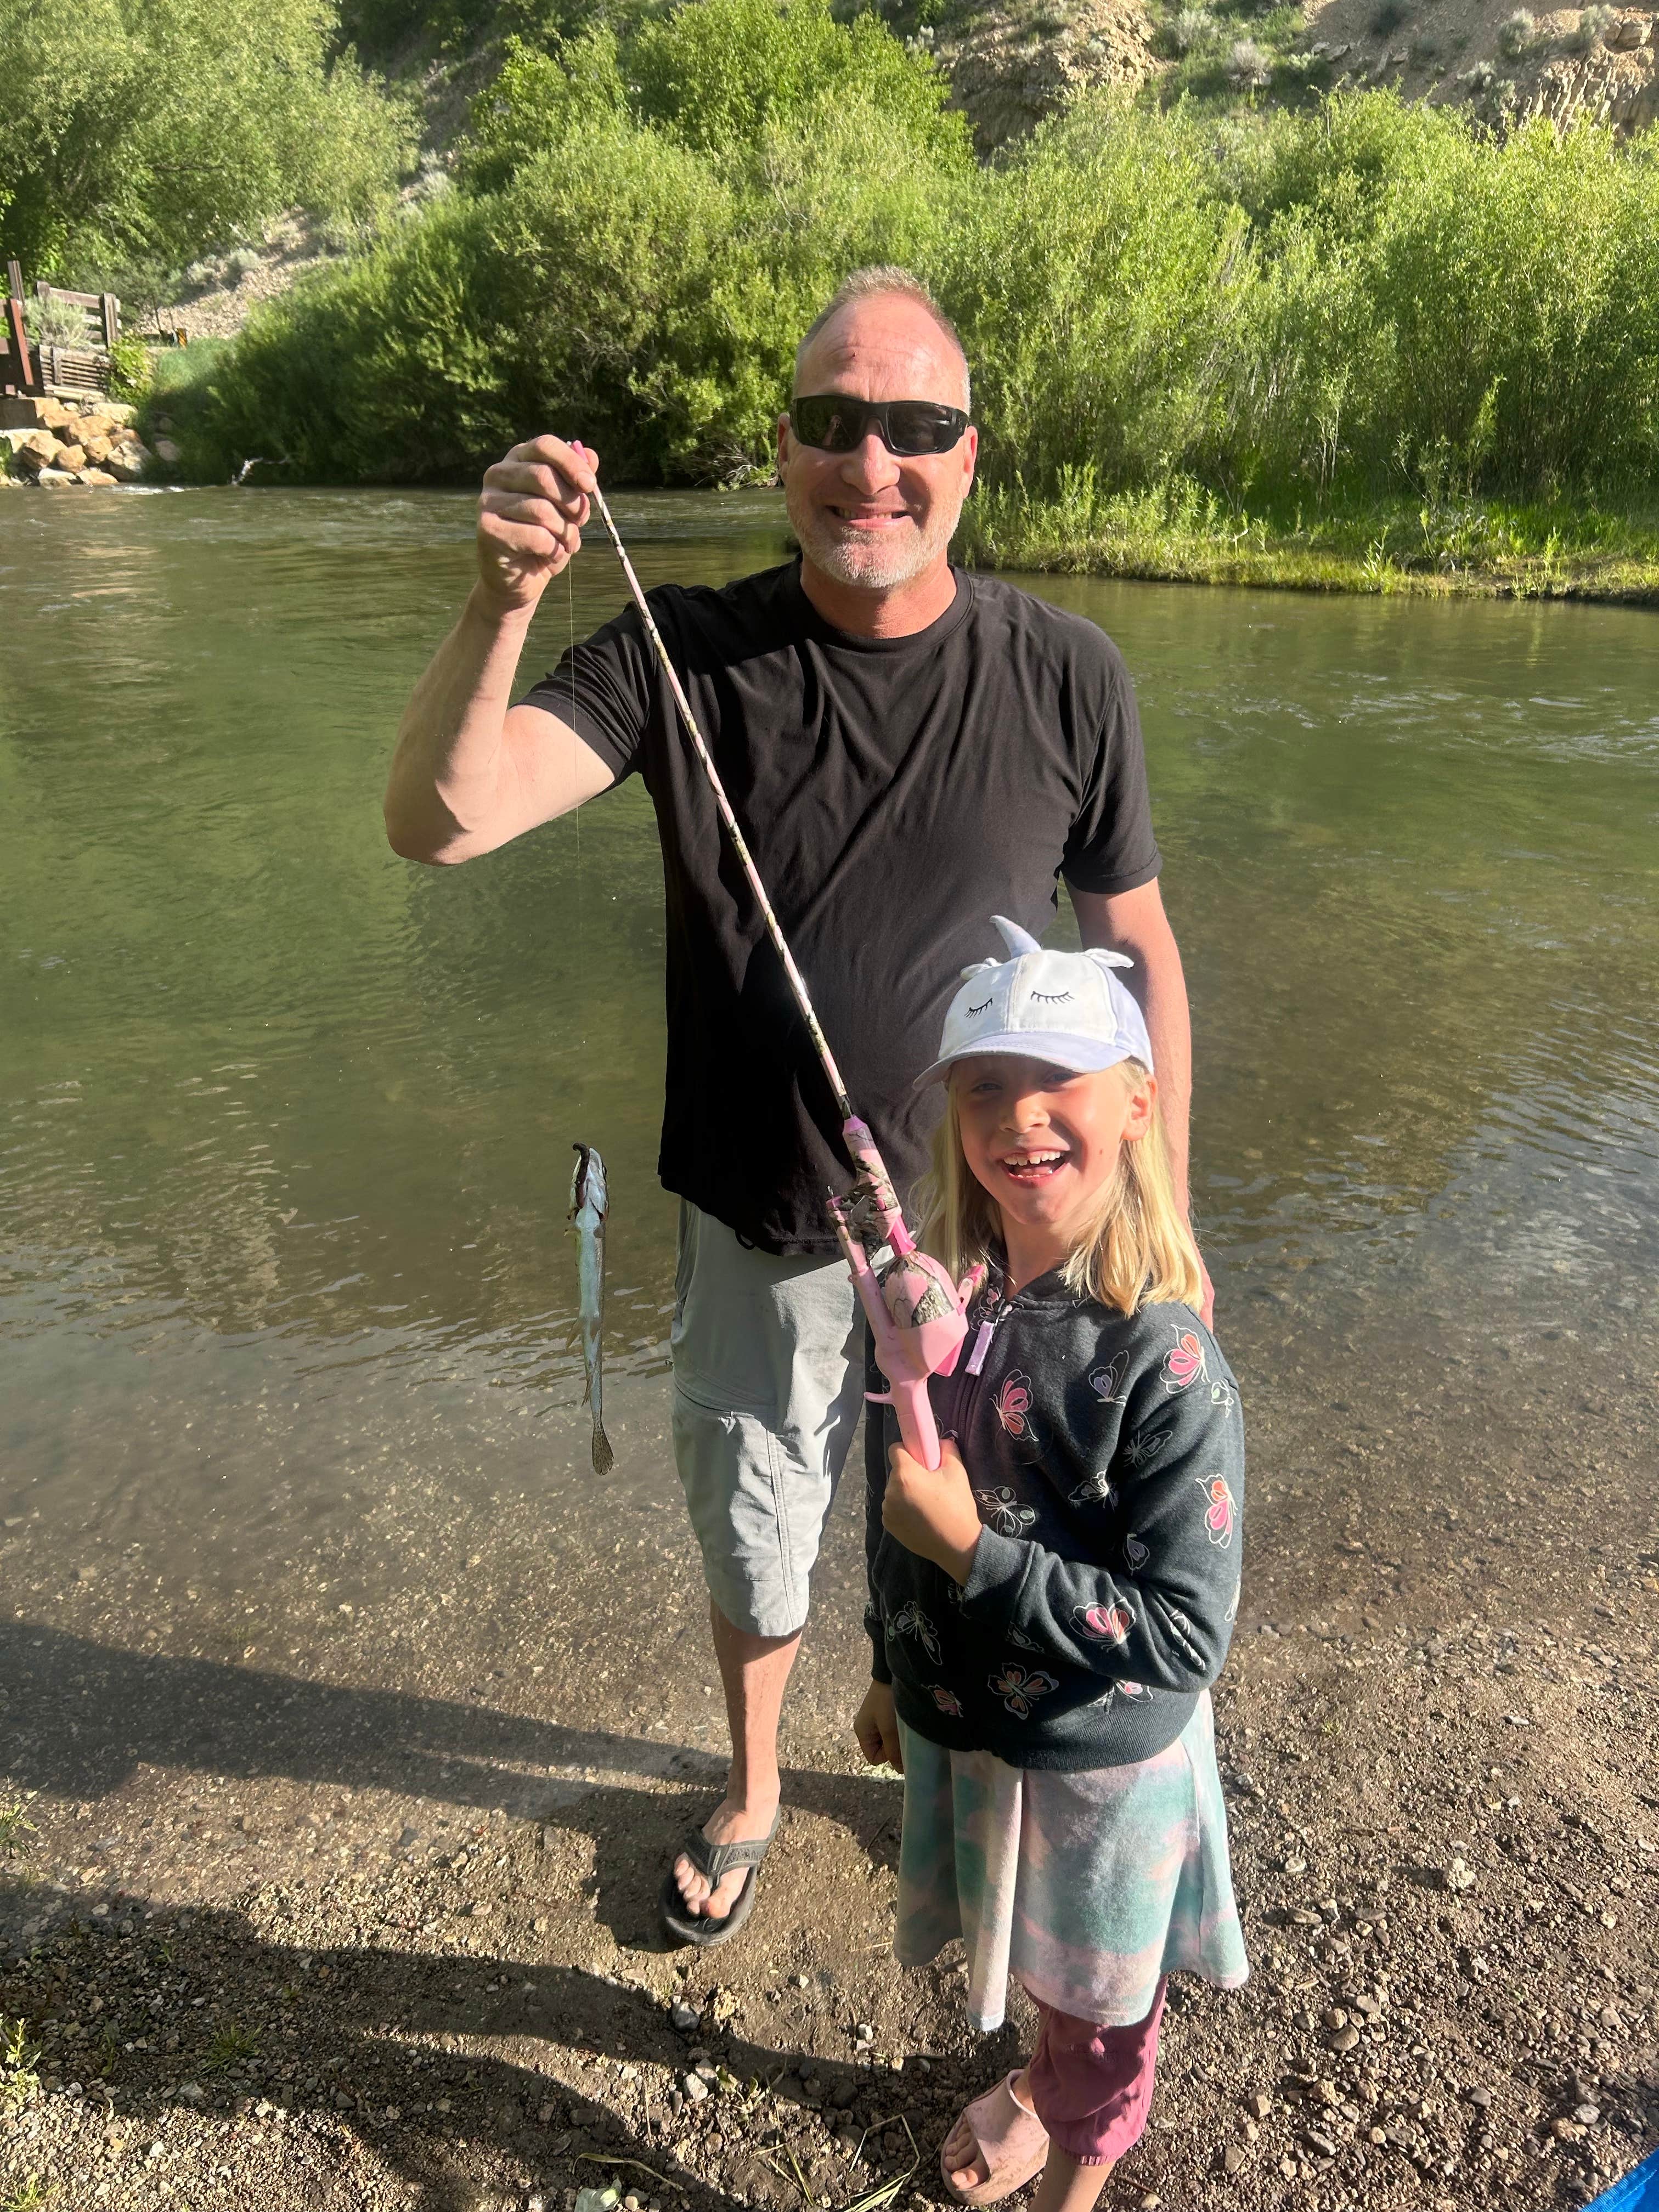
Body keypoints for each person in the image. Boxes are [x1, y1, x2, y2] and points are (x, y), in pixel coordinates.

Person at [382, 263, 1208, 1942]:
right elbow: (441, 821)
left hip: (1003, 1239)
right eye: (835, 423)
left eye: (916, 428)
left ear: (974, 455)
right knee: (762, 1530)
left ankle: (911, 1711)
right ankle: (757, 1785)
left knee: (959, 1528)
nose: (872, 462)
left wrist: (1160, 1217)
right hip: (760, 1222)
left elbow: (1135, 949)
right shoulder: (684, 651)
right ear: (786, 449)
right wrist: (500, 601)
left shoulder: (1067, 675)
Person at [854, 916, 1246, 2208]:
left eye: (1055, 1082)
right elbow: (898, 1501)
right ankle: (1037, 2078)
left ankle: (1075, 2182)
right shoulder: (944, 1301)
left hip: (1101, 1770)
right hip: (974, 1735)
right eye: (984, 1088)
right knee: (1040, 1970)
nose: (1018, 1117)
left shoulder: (1166, 1358)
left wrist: (975, 1555)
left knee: (1100, 2017)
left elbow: (1184, 1637)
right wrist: (883, 1659)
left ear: (1138, 1103)